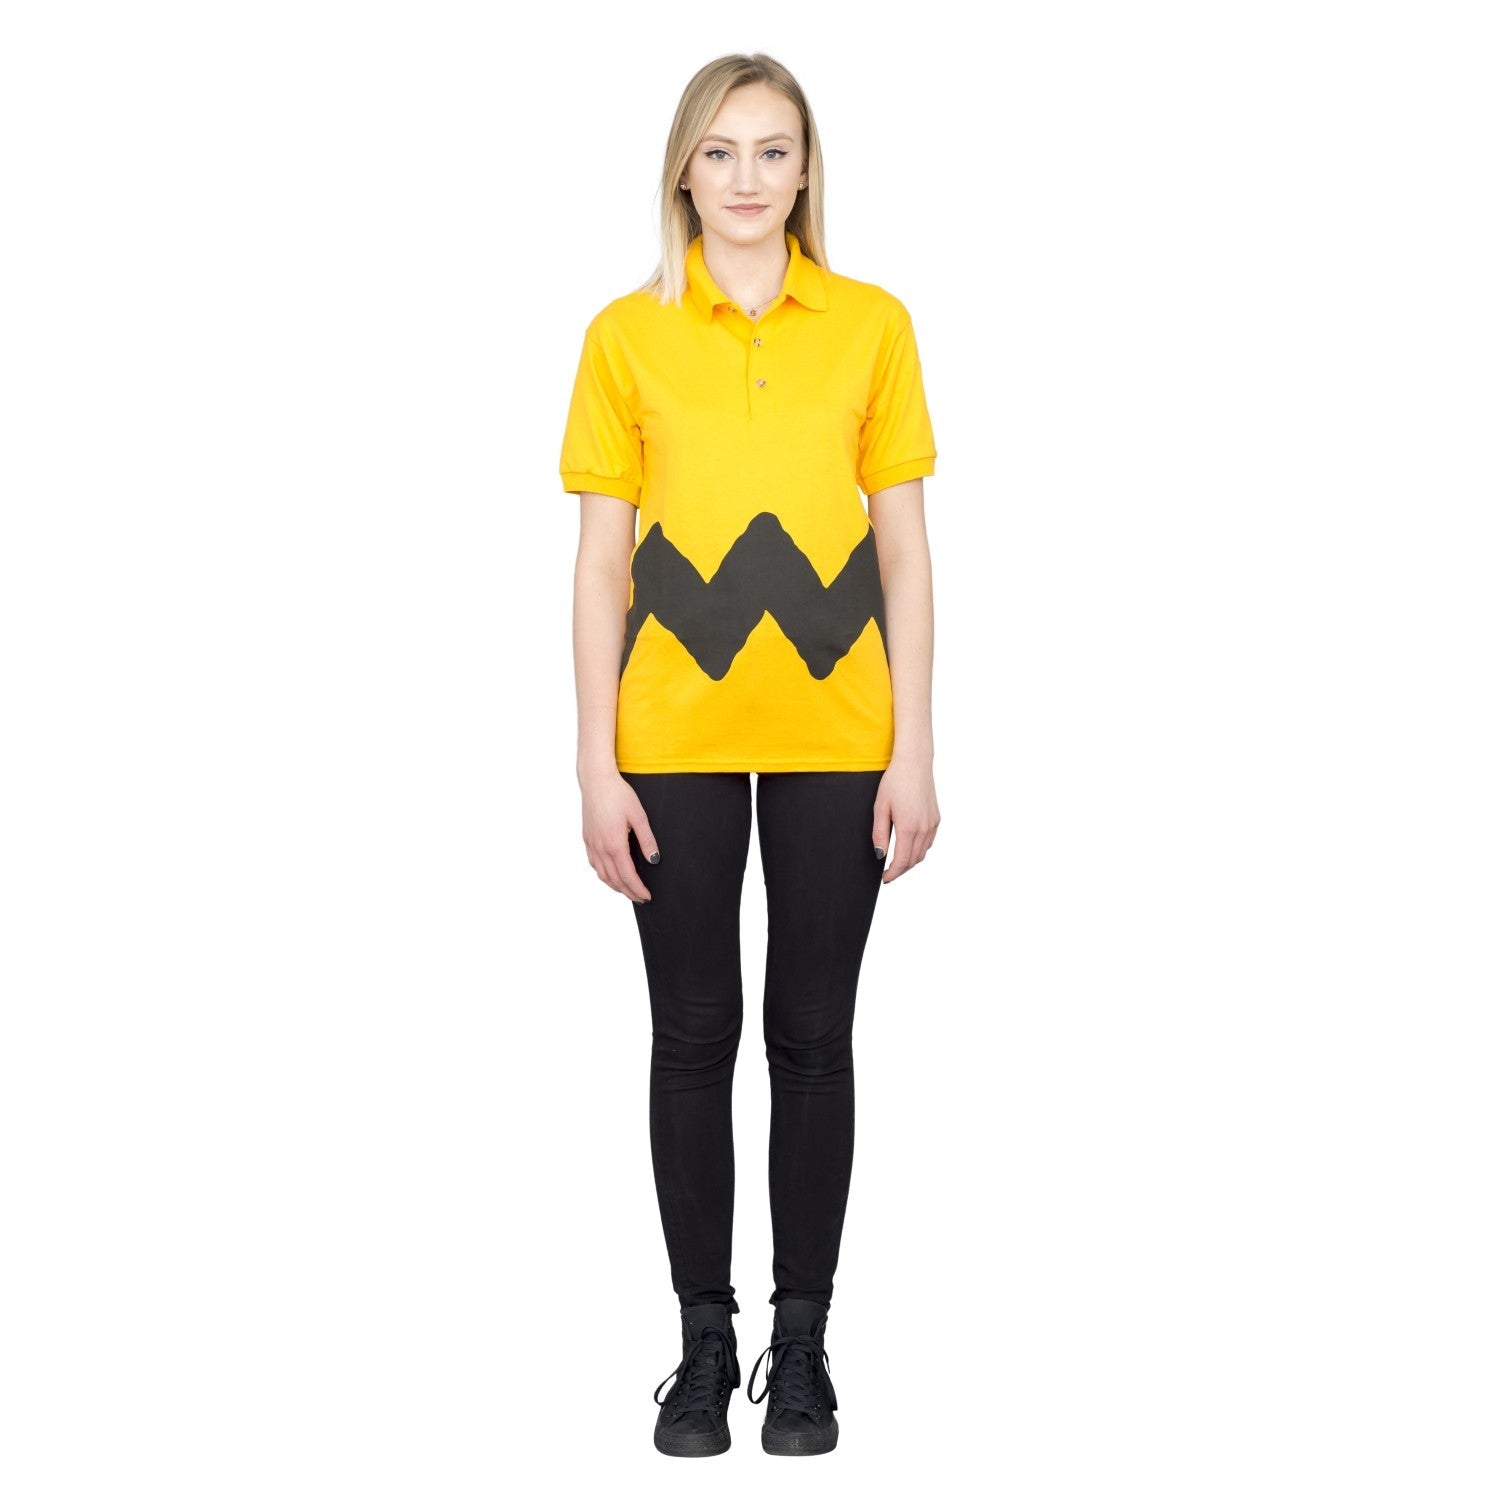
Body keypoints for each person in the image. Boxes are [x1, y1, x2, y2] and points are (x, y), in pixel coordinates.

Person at [558, 52, 940, 1459]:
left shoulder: (873, 326)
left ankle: (803, 1349)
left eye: (774, 151)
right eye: (720, 152)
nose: (746, 178)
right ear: (683, 170)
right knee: (692, 1036)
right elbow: (602, 567)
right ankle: (702, 1347)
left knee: (814, 1037)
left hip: (842, 732)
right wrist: (595, 763)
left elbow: (905, 553)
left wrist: (916, 748)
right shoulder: (626, 337)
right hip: (673, 733)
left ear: (806, 171)